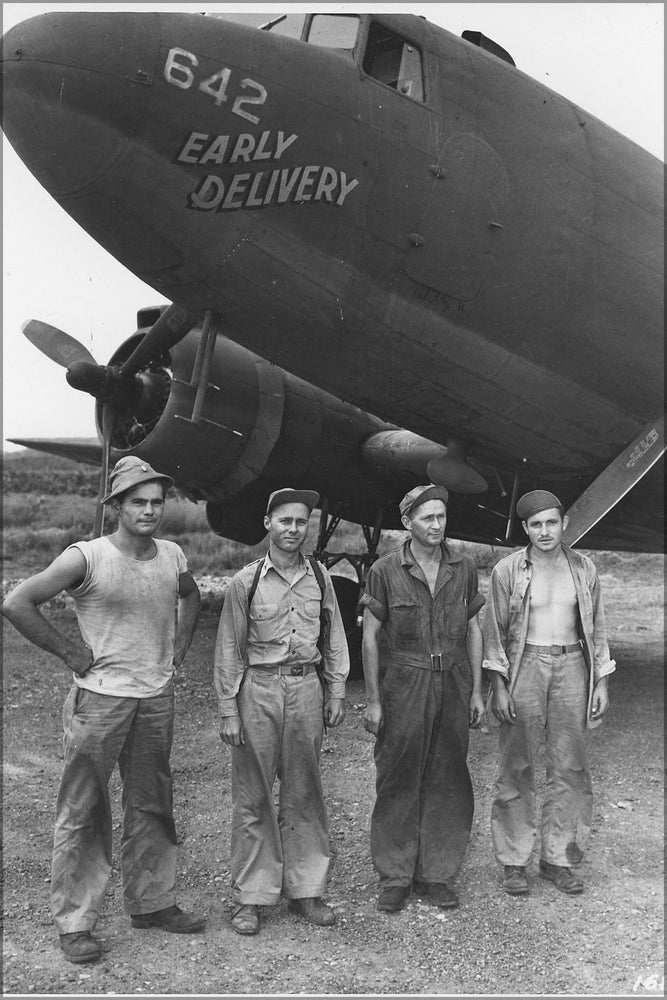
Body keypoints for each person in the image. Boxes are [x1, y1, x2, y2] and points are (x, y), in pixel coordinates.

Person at [2, 456, 205, 965]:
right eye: (138, 501)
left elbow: (192, 596)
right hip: (100, 700)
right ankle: (75, 922)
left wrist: (178, 647)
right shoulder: (85, 557)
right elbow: (17, 602)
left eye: (157, 502)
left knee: (152, 802)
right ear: (116, 506)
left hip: (155, 697)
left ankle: (153, 902)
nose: (150, 510)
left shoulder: (172, 555)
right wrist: (70, 652)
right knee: (84, 809)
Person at [214, 487, 350, 936]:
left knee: (305, 791)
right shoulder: (245, 581)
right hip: (260, 689)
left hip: (306, 688)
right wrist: (229, 709)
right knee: (253, 796)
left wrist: (336, 690)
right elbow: (230, 648)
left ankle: (306, 889)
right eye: (285, 521)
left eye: (301, 522)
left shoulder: (320, 577)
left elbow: (333, 637)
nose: (293, 529)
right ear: (268, 524)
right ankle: (251, 897)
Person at [482, 489, 615, 897]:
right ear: (525, 529)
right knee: (516, 764)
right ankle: (513, 861)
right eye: (536, 524)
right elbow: (494, 633)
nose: (544, 531)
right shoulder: (508, 570)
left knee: (570, 766)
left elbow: (597, 627)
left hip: (573, 665)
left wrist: (601, 681)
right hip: (527, 666)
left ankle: (558, 859)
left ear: (564, 524)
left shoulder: (583, 568)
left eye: (551, 522)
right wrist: (499, 685)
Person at [360, 484, 485, 914]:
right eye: (427, 518)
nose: (436, 525)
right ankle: (394, 877)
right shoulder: (385, 569)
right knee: (398, 774)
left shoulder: (463, 566)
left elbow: (472, 628)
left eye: (441, 516)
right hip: (405, 681)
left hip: (451, 680)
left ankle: (436, 874)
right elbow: (371, 635)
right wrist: (374, 699)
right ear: (407, 522)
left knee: (448, 775)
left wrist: (477, 690)